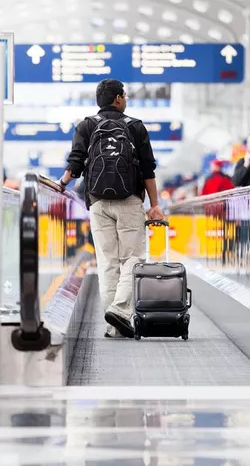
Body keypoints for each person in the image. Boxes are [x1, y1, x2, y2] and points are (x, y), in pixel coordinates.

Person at [58, 79, 163, 339]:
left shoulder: (86, 125)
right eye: (124, 95)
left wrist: (61, 184)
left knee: (107, 262)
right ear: (117, 99)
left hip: (97, 202)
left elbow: (76, 163)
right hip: (129, 201)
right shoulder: (135, 127)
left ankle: (114, 325)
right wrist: (155, 205)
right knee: (133, 258)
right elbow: (148, 170)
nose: (125, 98)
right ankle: (119, 310)